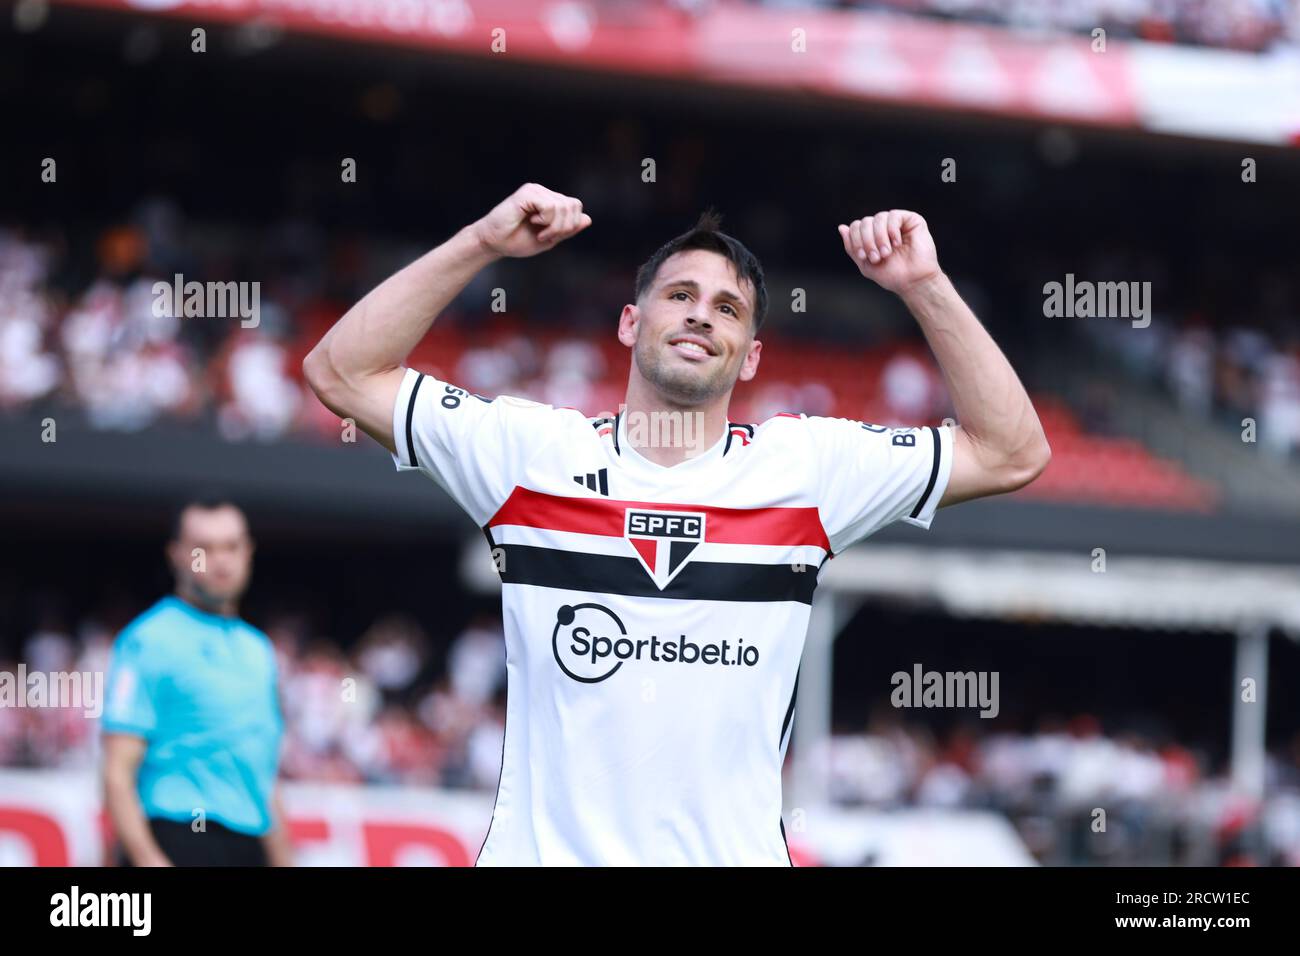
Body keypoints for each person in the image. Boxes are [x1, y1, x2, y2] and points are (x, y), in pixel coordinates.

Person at [303, 183, 1050, 865]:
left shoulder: (811, 469)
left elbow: (1012, 451)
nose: (700, 313)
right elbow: (340, 372)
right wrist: (481, 242)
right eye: (680, 295)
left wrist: (924, 286)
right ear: (630, 323)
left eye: (727, 308)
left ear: (751, 355)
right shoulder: (530, 456)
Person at [101, 495, 292, 866]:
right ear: (176, 554)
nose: (221, 560)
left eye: (231, 547)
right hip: (176, 839)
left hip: (247, 846)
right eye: (204, 548)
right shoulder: (148, 640)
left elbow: (262, 774)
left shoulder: (259, 651)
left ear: (248, 552)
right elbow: (116, 772)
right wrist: (148, 859)